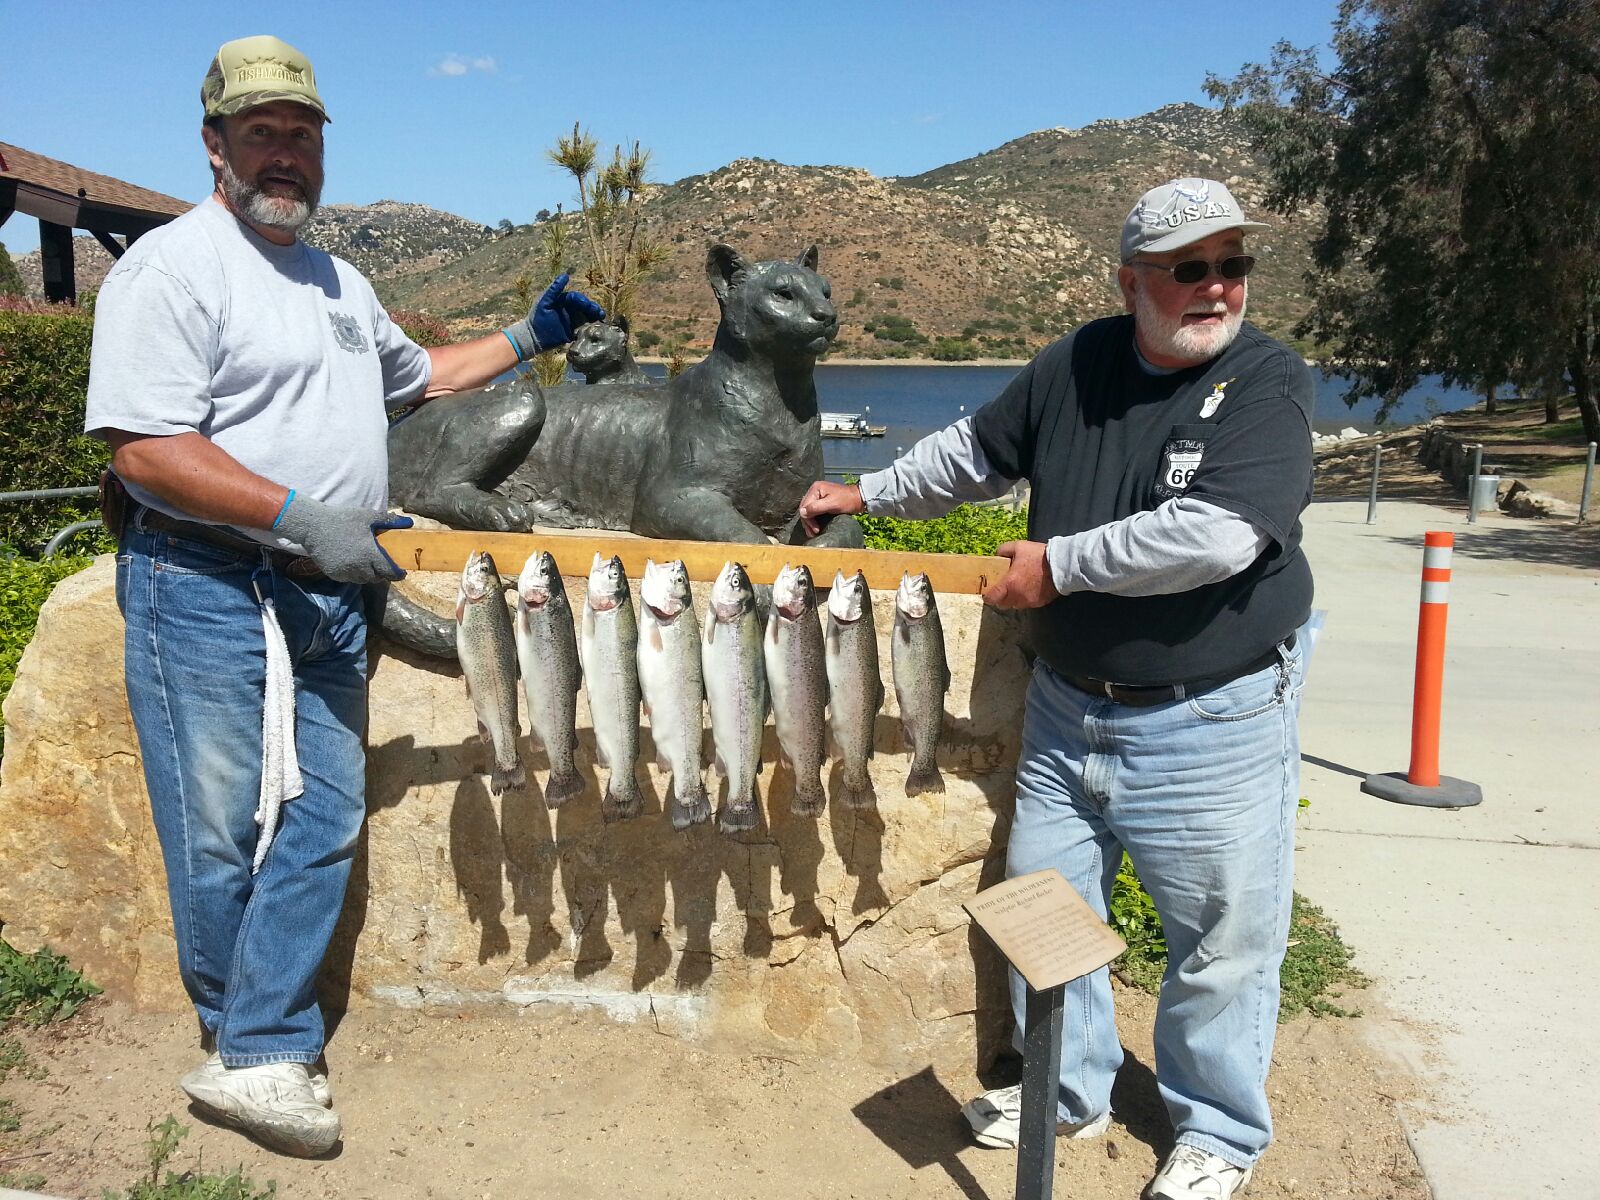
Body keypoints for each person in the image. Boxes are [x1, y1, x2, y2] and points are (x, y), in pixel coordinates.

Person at [82, 35, 603, 1158]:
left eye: (302, 135)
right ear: (214, 144)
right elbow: (144, 450)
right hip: (205, 582)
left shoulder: (337, 283)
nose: (285, 154)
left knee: (321, 817)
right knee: (220, 828)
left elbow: (422, 378)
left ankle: (255, 1040)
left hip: (328, 594)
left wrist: (532, 334)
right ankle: (254, 1047)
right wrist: (297, 514)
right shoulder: (169, 270)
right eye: (260, 132)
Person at [799, 177, 1313, 1200]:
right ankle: (1067, 1094)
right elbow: (972, 457)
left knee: (1218, 940)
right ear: (1132, 283)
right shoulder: (1073, 361)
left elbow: (1219, 535)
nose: (1217, 287)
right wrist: (865, 490)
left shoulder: (1266, 380)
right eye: (1190, 268)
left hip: (1208, 716)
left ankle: (1217, 1132)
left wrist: (1059, 567)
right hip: (1067, 706)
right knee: (1045, 906)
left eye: (1233, 265)